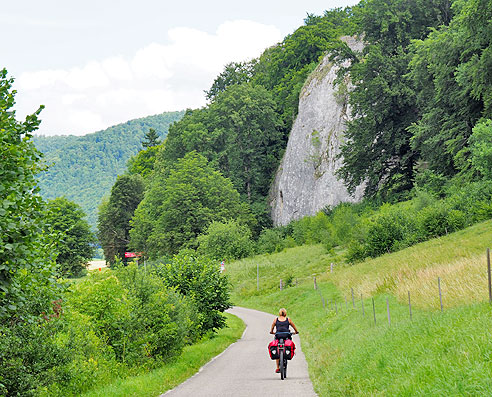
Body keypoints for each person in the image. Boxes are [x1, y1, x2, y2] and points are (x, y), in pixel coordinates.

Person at [269, 308, 299, 373]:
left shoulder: (276, 320)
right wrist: (296, 332)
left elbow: (272, 327)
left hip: (278, 335)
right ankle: (288, 351)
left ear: (279, 313)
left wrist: (272, 332)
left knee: (277, 348)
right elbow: (294, 326)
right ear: (285, 313)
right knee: (289, 342)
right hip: (286, 335)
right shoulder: (288, 319)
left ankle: (277, 367)